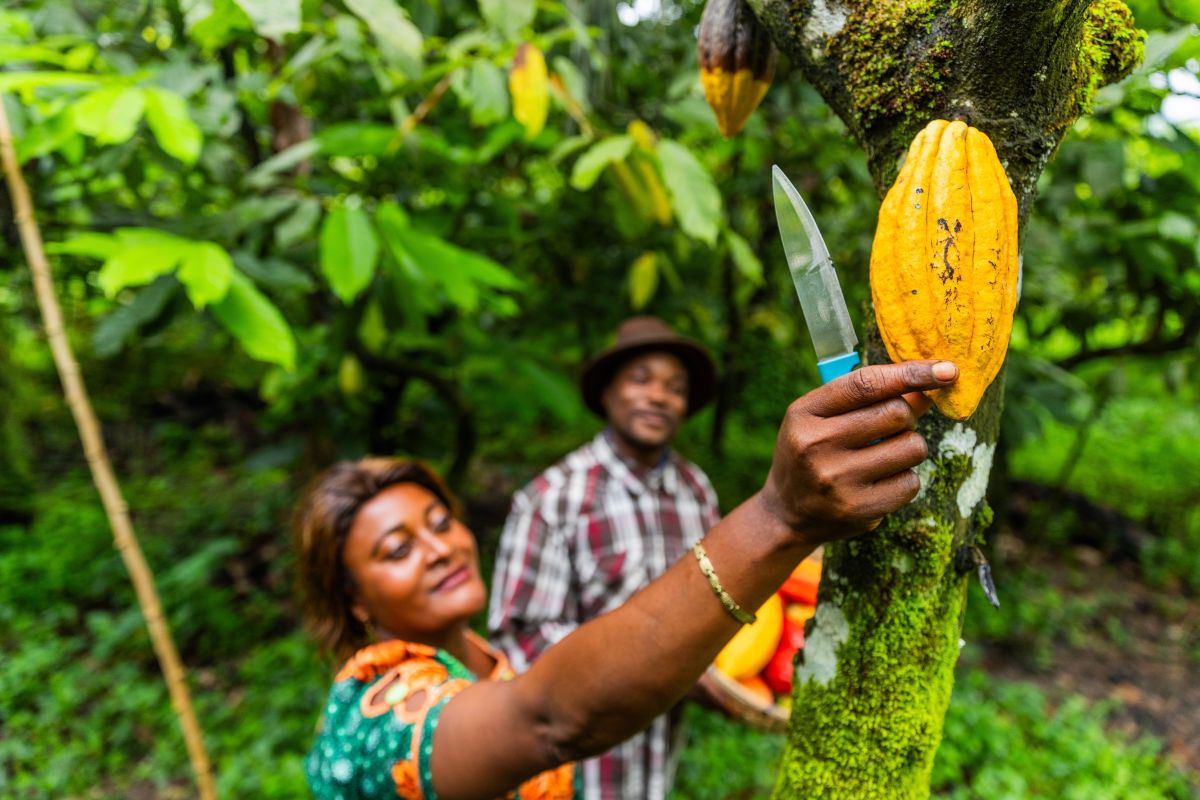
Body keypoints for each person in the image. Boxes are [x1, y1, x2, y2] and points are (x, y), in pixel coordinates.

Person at [297, 359, 958, 800]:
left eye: (440, 521)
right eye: (396, 549)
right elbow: (552, 717)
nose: (438, 549)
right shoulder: (371, 718)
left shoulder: (479, 668)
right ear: (351, 597)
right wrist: (777, 518)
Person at [487, 316, 723, 799]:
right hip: (576, 763)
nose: (658, 396)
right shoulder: (553, 499)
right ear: (608, 393)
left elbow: (711, 601)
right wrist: (644, 664)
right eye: (641, 380)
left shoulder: (695, 492)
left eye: (674, 388)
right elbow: (521, 636)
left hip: (658, 751)